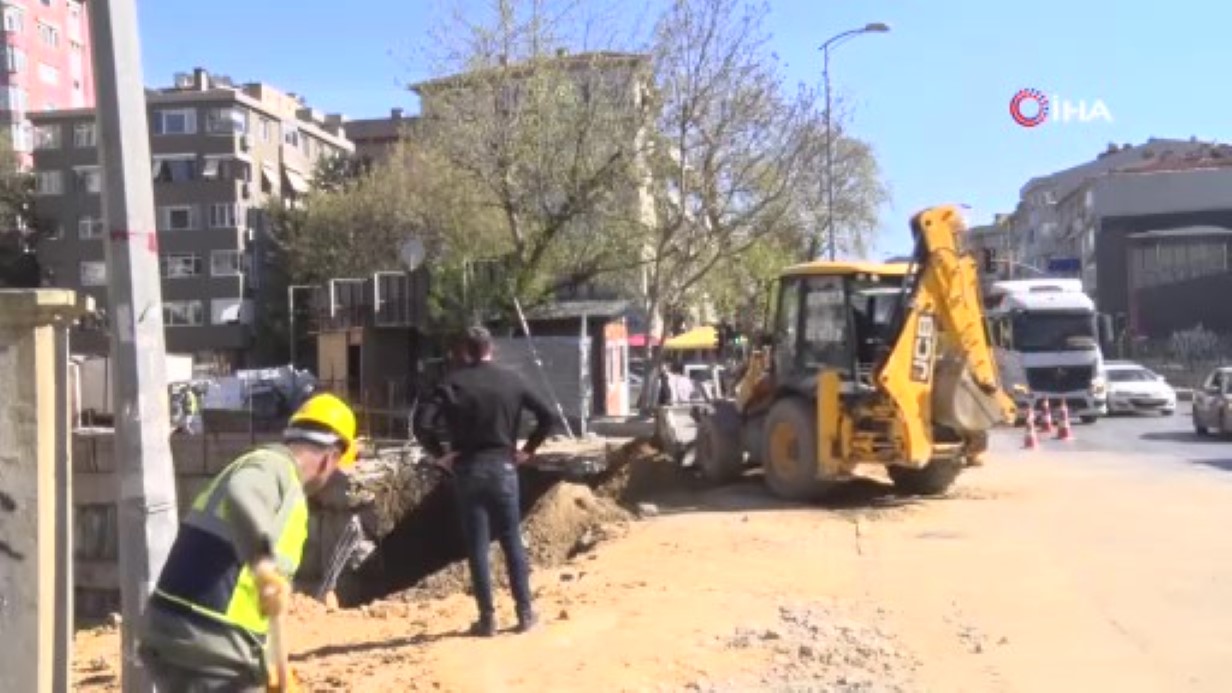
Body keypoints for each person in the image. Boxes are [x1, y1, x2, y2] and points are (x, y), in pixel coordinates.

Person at [137, 392, 359, 691]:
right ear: (329, 458)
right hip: (209, 641)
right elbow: (243, 494)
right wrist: (264, 566)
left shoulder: (268, 475)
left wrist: (273, 668)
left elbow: (261, 605)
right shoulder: (273, 468)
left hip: (179, 631)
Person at [413, 325, 555, 636]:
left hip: (468, 470)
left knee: (477, 546)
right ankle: (525, 613)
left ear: (465, 351)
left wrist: (441, 455)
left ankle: (487, 619)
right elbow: (548, 416)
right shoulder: (512, 379)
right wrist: (527, 451)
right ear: (491, 348)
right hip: (504, 468)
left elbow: (422, 425)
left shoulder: (451, 383)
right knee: (511, 540)